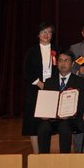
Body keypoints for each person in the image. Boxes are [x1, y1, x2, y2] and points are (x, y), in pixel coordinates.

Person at [37, 50, 84, 153]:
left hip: (71, 119)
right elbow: (45, 102)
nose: (63, 63)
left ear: (72, 64)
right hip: (52, 119)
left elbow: (82, 104)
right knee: (43, 127)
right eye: (60, 61)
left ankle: (64, 160)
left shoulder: (80, 81)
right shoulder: (49, 82)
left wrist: (70, 113)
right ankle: (42, 160)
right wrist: (44, 113)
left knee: (64, 126)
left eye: (66, 60)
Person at [22, 22, 59, 153]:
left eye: (49, 32)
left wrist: (51, 85)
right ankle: (37, 155)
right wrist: (39, 83)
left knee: (48, 123)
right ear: (38, 34)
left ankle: (46, 154)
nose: (46, 34)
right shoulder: (32, 50)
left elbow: (62, 69)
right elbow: (27, 71)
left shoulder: (57, 50)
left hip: (52, 89)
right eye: (43, 32)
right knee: (33, 123)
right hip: (34, 90)